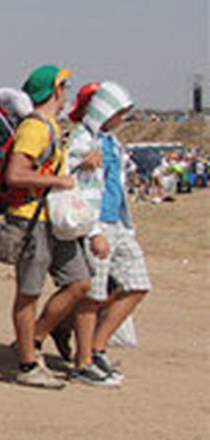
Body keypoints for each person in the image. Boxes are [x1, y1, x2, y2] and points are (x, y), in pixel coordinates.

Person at [5, 65, 89, 389]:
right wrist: (57, 181)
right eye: (64, 86)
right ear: (54, 91)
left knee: (79, 282)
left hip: (52, 219)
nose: (66, 92)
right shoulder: (35, 127)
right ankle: (27, 364)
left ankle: (35, 336)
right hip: (31, 218)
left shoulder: (51, 126)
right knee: (29, 292)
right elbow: (16, 174)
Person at [66, 81, 149, 386]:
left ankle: (97, 347)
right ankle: (83, 360)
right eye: (120, 112)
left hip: (119, 224)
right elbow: (76, 184)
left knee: (138, 285)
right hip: (95, 224)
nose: (122, 118)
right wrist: (95, 231)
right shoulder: (82, 140)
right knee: (92, 295)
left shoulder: (111, 142)